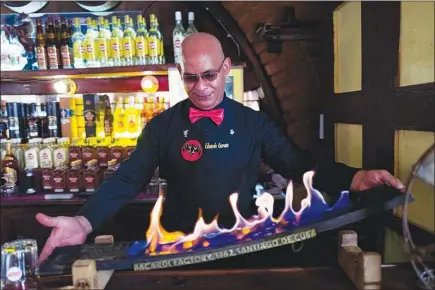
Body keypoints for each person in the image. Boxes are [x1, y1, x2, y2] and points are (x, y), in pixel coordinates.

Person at [35, 32, 405, 264]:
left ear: (226, 69)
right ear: (182, 76)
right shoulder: (162, 127)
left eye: (210, 75)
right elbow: (127, 179)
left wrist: (353, 177)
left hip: (242, 244)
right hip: (178, 248)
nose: (201, 87)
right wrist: (84, 220)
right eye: (191, 78)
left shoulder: (252, 123)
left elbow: (299, 164)